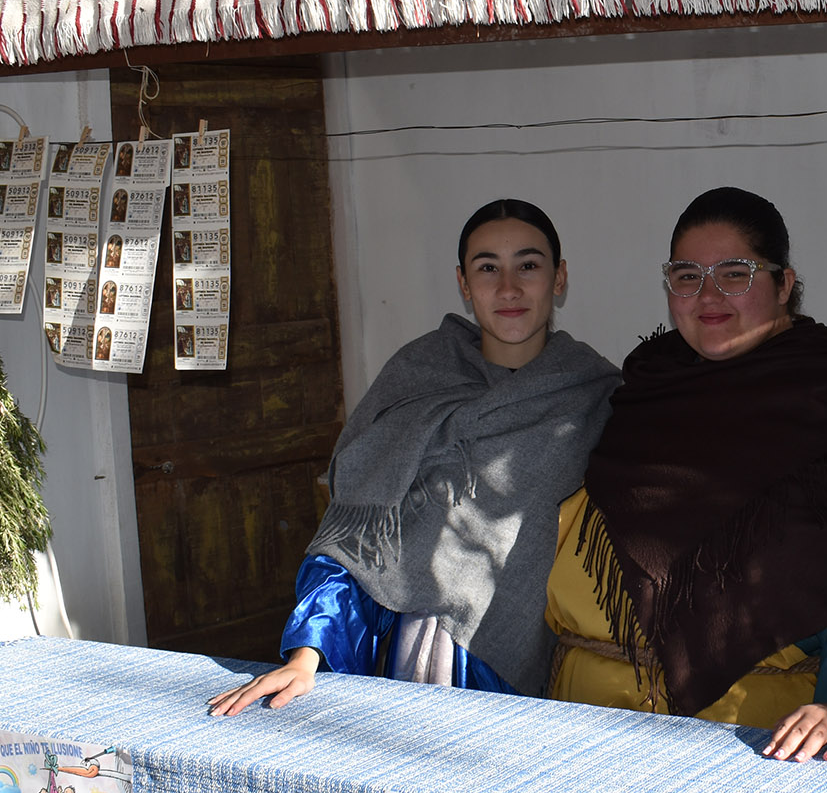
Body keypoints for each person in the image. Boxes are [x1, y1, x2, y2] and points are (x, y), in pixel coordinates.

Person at [546, 187, 827, 762]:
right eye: (687, 275)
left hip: (751, 741)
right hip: (589, 721)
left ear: (784, 284)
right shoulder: (648, 386)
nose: (708, 295)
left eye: (735, 273)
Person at [210, 199, 619, 715]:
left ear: (558, 278)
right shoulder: (416, 375)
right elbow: (353, 539)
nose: (509, 287)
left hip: (515, 667)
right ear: (464, 284)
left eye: (529, 266)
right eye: (488, 267)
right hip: (398, 650)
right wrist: (307, 655)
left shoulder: (597, 399)